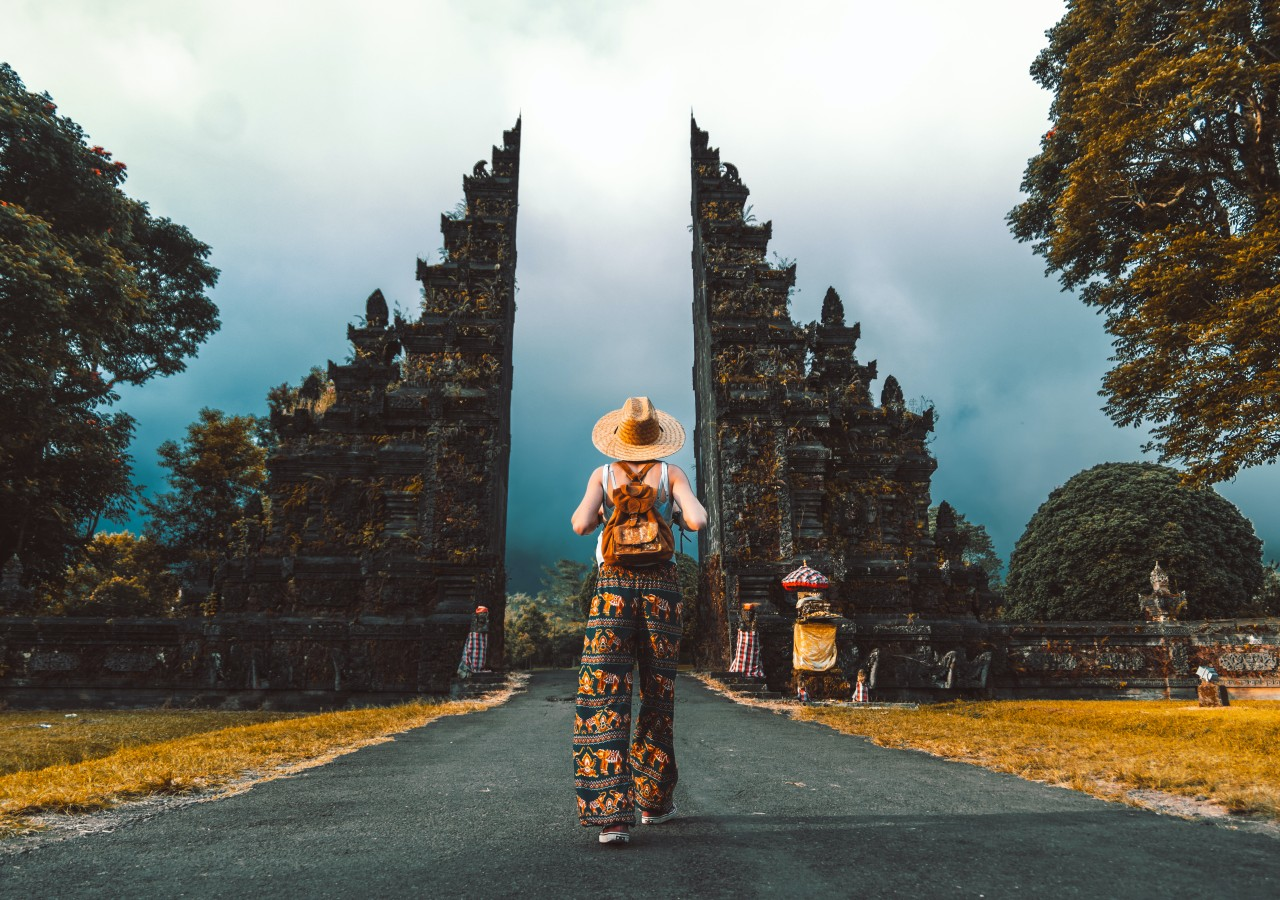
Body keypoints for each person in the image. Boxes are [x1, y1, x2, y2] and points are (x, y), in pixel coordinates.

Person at [570, 396, 707, 846]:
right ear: (657, 438)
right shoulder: (670, 473)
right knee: (657, 692)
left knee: (603, 693)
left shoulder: (603, 474)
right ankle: (653, 802)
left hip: (612, 587)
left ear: (618, 438)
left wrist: (605, 515)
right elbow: (698, 519)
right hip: (661, 590)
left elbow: (579, 525)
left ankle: (612, 818)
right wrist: (674, 512)